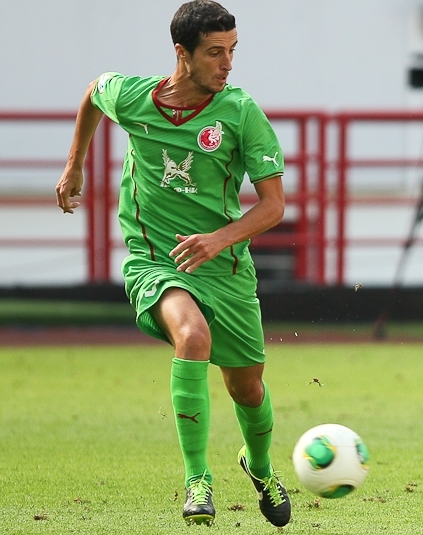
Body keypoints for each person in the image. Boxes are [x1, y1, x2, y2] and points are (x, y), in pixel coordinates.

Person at [56, 0, 291, 527]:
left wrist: (217, 240)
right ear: (181, 54)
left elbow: (274, 206)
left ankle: (260, 466)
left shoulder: (240, 111)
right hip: (156, 261)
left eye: (232, 51)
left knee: (247, 387)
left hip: (226, 270)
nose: (228, 63)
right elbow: (96, 91)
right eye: (215, 53)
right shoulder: (137, 97)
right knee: (192, 336)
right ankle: (197, 481)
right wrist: (75, 165)